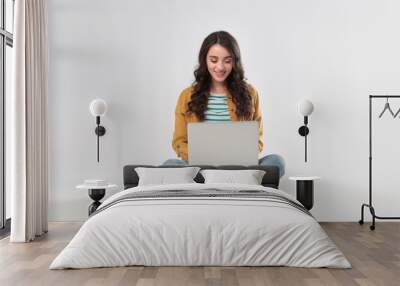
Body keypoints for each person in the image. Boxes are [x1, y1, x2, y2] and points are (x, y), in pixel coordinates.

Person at [164, 31, 285, 177]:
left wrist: (238, 159)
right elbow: (179, 141)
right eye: (214, 60)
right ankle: (236, 185)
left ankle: (228, 182)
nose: (220, 67)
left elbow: (256, 140)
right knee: (170, 165)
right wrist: (203, 158)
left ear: (235, 61)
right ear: (204, 60)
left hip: (239, 168)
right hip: (200, 168)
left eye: (227, 61)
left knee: (277, 162)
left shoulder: (250, 93)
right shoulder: (186, 96)